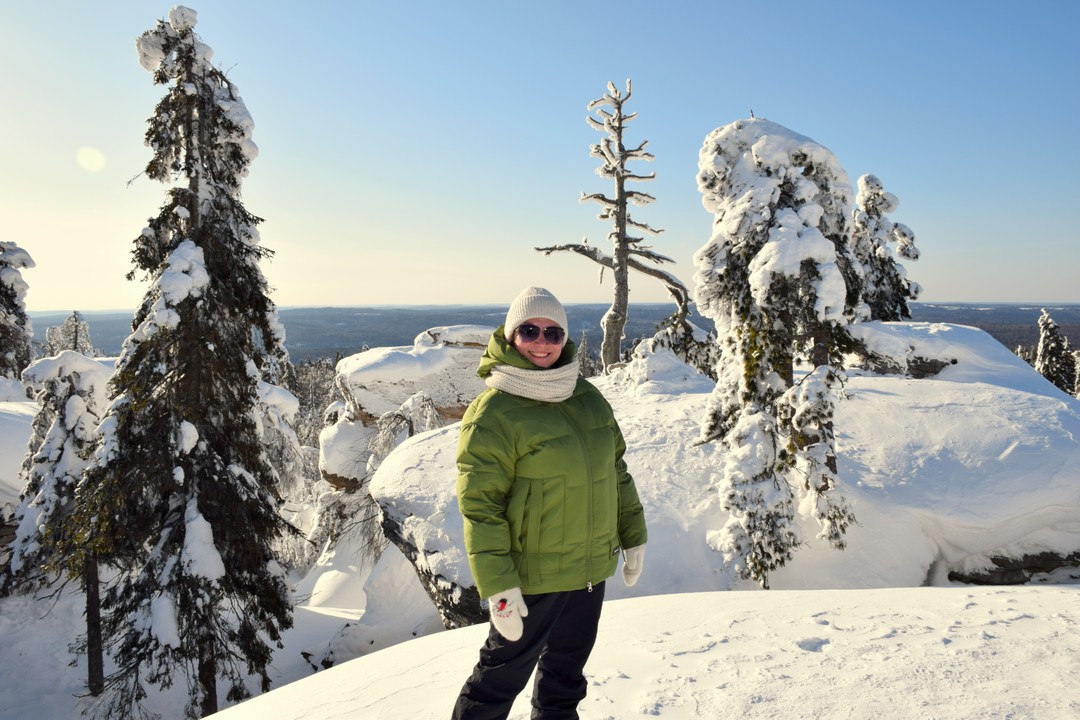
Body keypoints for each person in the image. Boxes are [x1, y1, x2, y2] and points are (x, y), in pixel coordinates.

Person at [451, 286, 648, 720]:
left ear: (565, 340)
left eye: (553, 333)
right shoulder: (493, 413)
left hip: (590, 571)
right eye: (530, 330)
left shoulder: (586, 398)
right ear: (511, 336)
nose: (542, 341)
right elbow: (481, 507)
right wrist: (498, 586)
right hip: (532, 577)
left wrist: (633, 536)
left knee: (565, 680)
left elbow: (616, 472)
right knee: (497, 683)